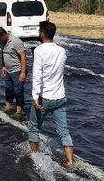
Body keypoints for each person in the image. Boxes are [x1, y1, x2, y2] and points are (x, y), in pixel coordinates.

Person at [28, 21, 74, 168]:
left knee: (34, 127)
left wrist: (35, 97)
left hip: (44, 98)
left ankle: (35, 157)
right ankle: (70, 161)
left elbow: (37, 76)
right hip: (60, 97)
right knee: (63, 131)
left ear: (42, 33)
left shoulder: (39, 51)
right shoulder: (62, 50)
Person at [0, 27, 27, 118]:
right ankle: (8, 107)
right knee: (8, 90)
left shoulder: (16, 42)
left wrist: (23, 73)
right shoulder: (2, 41)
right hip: (8, 70)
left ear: (4, 35)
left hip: (18, 70)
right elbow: (3, 53)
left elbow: (23, 57)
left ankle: (19, 112)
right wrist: (3, 66)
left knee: (18, 91)